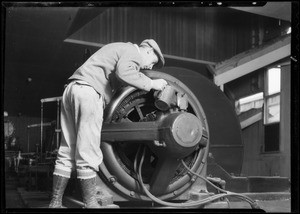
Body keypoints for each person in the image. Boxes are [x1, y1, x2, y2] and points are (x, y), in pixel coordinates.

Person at [49, 39, 168, 208]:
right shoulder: (132, 51)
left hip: (72, 90)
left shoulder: (119, 48)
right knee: (88, 150)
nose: (150, 67)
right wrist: (152, 84)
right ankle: (91, 203)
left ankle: (55, 203)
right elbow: (124, 72)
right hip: (90, 92)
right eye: (153, 62)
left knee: (67, 149)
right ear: (147, 50)